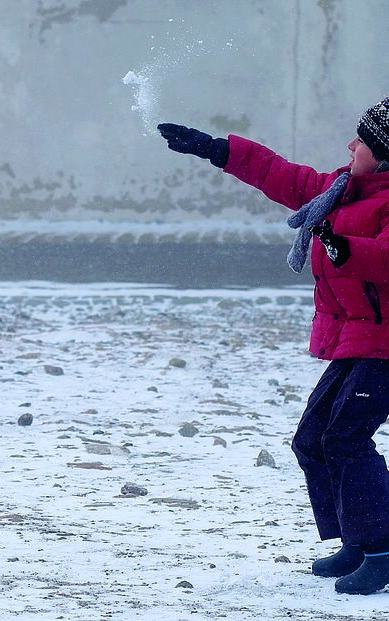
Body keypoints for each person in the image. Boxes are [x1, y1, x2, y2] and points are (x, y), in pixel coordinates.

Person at [157, 99, 389, 595]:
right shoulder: (343, 188)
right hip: (361, 337)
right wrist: (216, 149)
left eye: (363, 142)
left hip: (386, 344)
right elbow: (285, 177)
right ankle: (357, 540)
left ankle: (382, 550)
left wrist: (347, 248)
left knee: (346, 439)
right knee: (312, 439)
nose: (351, 145)